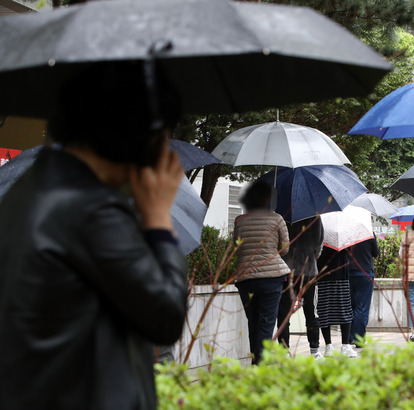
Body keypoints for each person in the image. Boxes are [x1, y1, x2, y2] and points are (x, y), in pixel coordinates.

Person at [0, 63, 188, 409]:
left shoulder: (33, 189)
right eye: (162, 135)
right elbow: (165, 315)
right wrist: (159, 217)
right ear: (138, 135)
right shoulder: (91, 210)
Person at [234, 181, 290, 364]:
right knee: (266, 322)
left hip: (245, 277)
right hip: (271, 278)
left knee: (253, 321)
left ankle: (256, 361)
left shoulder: (240, 221)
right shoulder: (277, 219)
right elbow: (285, 250)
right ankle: (261, 366)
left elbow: (237, 248)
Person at [276, 217, 324, 359]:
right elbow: (318, 243)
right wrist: (311, 256)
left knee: (284, 313)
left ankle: (284, 352)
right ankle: (314, 350)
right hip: (308, 270)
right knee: (311, 311)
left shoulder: (281, 216)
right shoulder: (314, 216)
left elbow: (279, 245)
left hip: (286, 270)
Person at [317, 247, 359, 358]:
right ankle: (342, 346)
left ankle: (331, 346)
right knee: (342, 309)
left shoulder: (321, 233)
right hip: (337, 273)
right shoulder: (340, 232)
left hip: (324, 273)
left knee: (326, 309)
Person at [347, 236, 379, 346]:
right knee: (362, 308)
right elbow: (376, 252)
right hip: (365, 273)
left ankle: (349, 337)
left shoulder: (348, 231)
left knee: (350, 306)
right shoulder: (368, 232)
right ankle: (359, 339)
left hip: (349, 273)